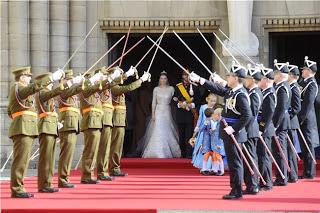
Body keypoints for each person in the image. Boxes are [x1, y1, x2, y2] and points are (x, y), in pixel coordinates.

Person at [189, 63, 252, 200]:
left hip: (234, 133)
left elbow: (247, 116)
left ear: (236, 78)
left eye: (229, 76)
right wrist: (201, 80)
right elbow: (219, 89)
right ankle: (235, 188)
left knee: (235, 163)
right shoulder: (232, 91)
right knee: (233, 162)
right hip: (229, 132)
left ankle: (236, 190)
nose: (227, 78)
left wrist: (233, 128)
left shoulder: (240, 94)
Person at [8, 67, 63, 198]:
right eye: (27, 76)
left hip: (26, 127)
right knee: (20, 160)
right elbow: (32, 89)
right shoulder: (18, 88)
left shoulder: (22, 90)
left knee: (24, 160)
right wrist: (52, 78)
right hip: (22, 127)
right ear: (21, 77)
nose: (29, 78)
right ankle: (17, 188)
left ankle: (20, 187)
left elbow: (10, 111)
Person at [79, 68, 122, 184]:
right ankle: (87, 175)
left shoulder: (95, 89)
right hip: (91, 122)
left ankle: (98, 173)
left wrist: (120, 76)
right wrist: (109, 77)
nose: (101, 77)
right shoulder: (87, 88)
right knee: (90, 151)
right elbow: (97, 86)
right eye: (99, 76)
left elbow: (105, 85)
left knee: (101, 149)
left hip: (97, 121)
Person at [109, 70, 151, 176]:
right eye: (119, 75)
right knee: (114, 146)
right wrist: (141, 80)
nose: (121, 77)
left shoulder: (115, 85)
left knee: (117, 147)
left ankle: (115, 168)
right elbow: (128, 88)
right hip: (115, 120)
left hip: (120, 120)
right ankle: (112, 168)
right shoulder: (113, 86)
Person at [141, 71, 181, 158]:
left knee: (168, 129)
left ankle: (170, 151)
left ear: (167, 80)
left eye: (165, 78)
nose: (163, 80)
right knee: (158, 129)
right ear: (159, 79)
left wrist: (177, 99)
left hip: (167, 110)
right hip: (158, 111)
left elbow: (175, 100)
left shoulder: (171, 89)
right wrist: (153, 114)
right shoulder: (156, 89)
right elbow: (153, 103)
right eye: (161, 78)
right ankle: (157, 152)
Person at [96, 66, 125, 181]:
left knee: (109, 147)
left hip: (110, 119)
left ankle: (107, 170)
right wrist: (138, 80)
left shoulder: (107, 85)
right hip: (104, 119)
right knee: (104, 147)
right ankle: (101, 172)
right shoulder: (102, 85)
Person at [57, 69, 84, 188]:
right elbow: (71, 91)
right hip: (67, 125)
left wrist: (83, 82)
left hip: (72, 125)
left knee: (68, 154)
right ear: (62, 80)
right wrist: (77, 82)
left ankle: (65, 178)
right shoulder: (62, 89)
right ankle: (63, 179)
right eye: (68, 79)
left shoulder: (71, 92)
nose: (70, 81)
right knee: (66, 154)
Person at [242, 65, 263, 195]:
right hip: (248, 129)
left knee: (251, 158)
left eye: (248, 78)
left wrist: (242, 127)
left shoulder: (255, 93)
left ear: (253, 80)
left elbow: (252, 114)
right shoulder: (250, 92)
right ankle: (250, 184)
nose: (245, 80)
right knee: (248, 158)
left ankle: (253, 185)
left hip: (250, 129)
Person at [298, 56, 319, 179]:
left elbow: (307, 104)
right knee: (304, 145)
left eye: (304, 69)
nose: (302, 71)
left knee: (308, 144)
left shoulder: (312, 84)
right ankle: (306, 170)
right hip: (302, 118)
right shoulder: (303, 82)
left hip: (307, 118)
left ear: (310, 71)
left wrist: (300, 118)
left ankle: (310, 172)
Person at [272, 60, 292, 186]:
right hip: (281, 122)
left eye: (275, 73)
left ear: (279, 74)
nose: (273, 75)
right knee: (279, 150)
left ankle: (282, 177)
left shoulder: (282, 88)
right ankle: (282, 175)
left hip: (280, 123)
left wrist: (275, 125)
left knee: (280, 151)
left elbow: (280, 109)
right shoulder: (280, 86)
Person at [257, 65, 276, 191]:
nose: (259, 81)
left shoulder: (269, 94)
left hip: (265, 129)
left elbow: (268, 115)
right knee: (262, 156)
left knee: (264, 157)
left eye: (261, 78)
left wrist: (261, 129)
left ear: (266, 80)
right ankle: (263, 180)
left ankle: (267, 182)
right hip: (262, 128)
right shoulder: (264, 92)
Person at [174, 70, 200, 158]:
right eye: (185, 74)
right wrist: (179, 104)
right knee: (181, 136)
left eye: (188, 74)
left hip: (190, 114)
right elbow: (173, 100)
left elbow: (198, 100)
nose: (187, 76)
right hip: (180, 114)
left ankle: (189, 154)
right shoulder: (178, 87)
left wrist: (192, 105)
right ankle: (183, 154)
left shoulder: (195, 87)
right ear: (182, 76)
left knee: (189, 135)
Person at [192, 93, 217, 169]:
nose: (213, 102)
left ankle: (212, 164)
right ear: (207, 100)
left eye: (214, 101)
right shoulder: (203, 107)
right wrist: (197, 127)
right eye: (211, 101)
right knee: (202, 146)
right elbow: (200, 118)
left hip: (213, 130)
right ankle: (202, 163)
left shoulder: (216, 108)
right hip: (203, 130)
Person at [199, 107, 225, 176]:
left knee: (217, 155)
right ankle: (206, 169)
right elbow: (201, 129)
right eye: (213, 114)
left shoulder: (221, 122)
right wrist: (205, 124)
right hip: (208, 141)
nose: (213, 116)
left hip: (217, 142)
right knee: (208, 154)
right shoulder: (208, 120)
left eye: (215, 114)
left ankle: (218, 170)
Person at [287, 64, 302, 183]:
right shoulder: (289, 87)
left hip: (291, 122)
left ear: (291, 75)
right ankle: (290, 173)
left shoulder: (294, 88)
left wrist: (287, 117)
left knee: (291, 150)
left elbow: (296, 108)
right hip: (289, 122)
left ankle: (293, 174)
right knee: (288, 149)